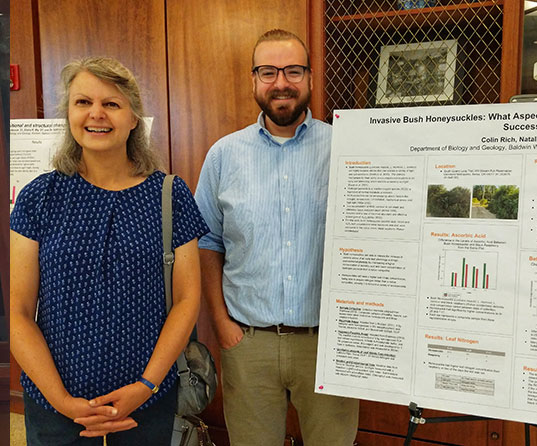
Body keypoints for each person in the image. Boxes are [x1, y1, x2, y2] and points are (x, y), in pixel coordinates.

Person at [10, 56, 209, 445]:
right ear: (68, 113)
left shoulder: (170, 196)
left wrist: (145, 385)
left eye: (112, 104)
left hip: (147, 402)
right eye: (83, 102)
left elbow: (187, 299)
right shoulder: (39, 198)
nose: (96, 114)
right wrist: (63, 401)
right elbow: (19, 313)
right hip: (55, 406)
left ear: (134, 118)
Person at [194, 29, 359, 445]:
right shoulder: (223, 155)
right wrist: (220, 322)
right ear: (253, 80)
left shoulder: (348, 147)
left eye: (293, 71)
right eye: (268, 72)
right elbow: (209, 241)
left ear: (309, 78)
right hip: (248, 343)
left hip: (327, 344)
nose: (281, 83)